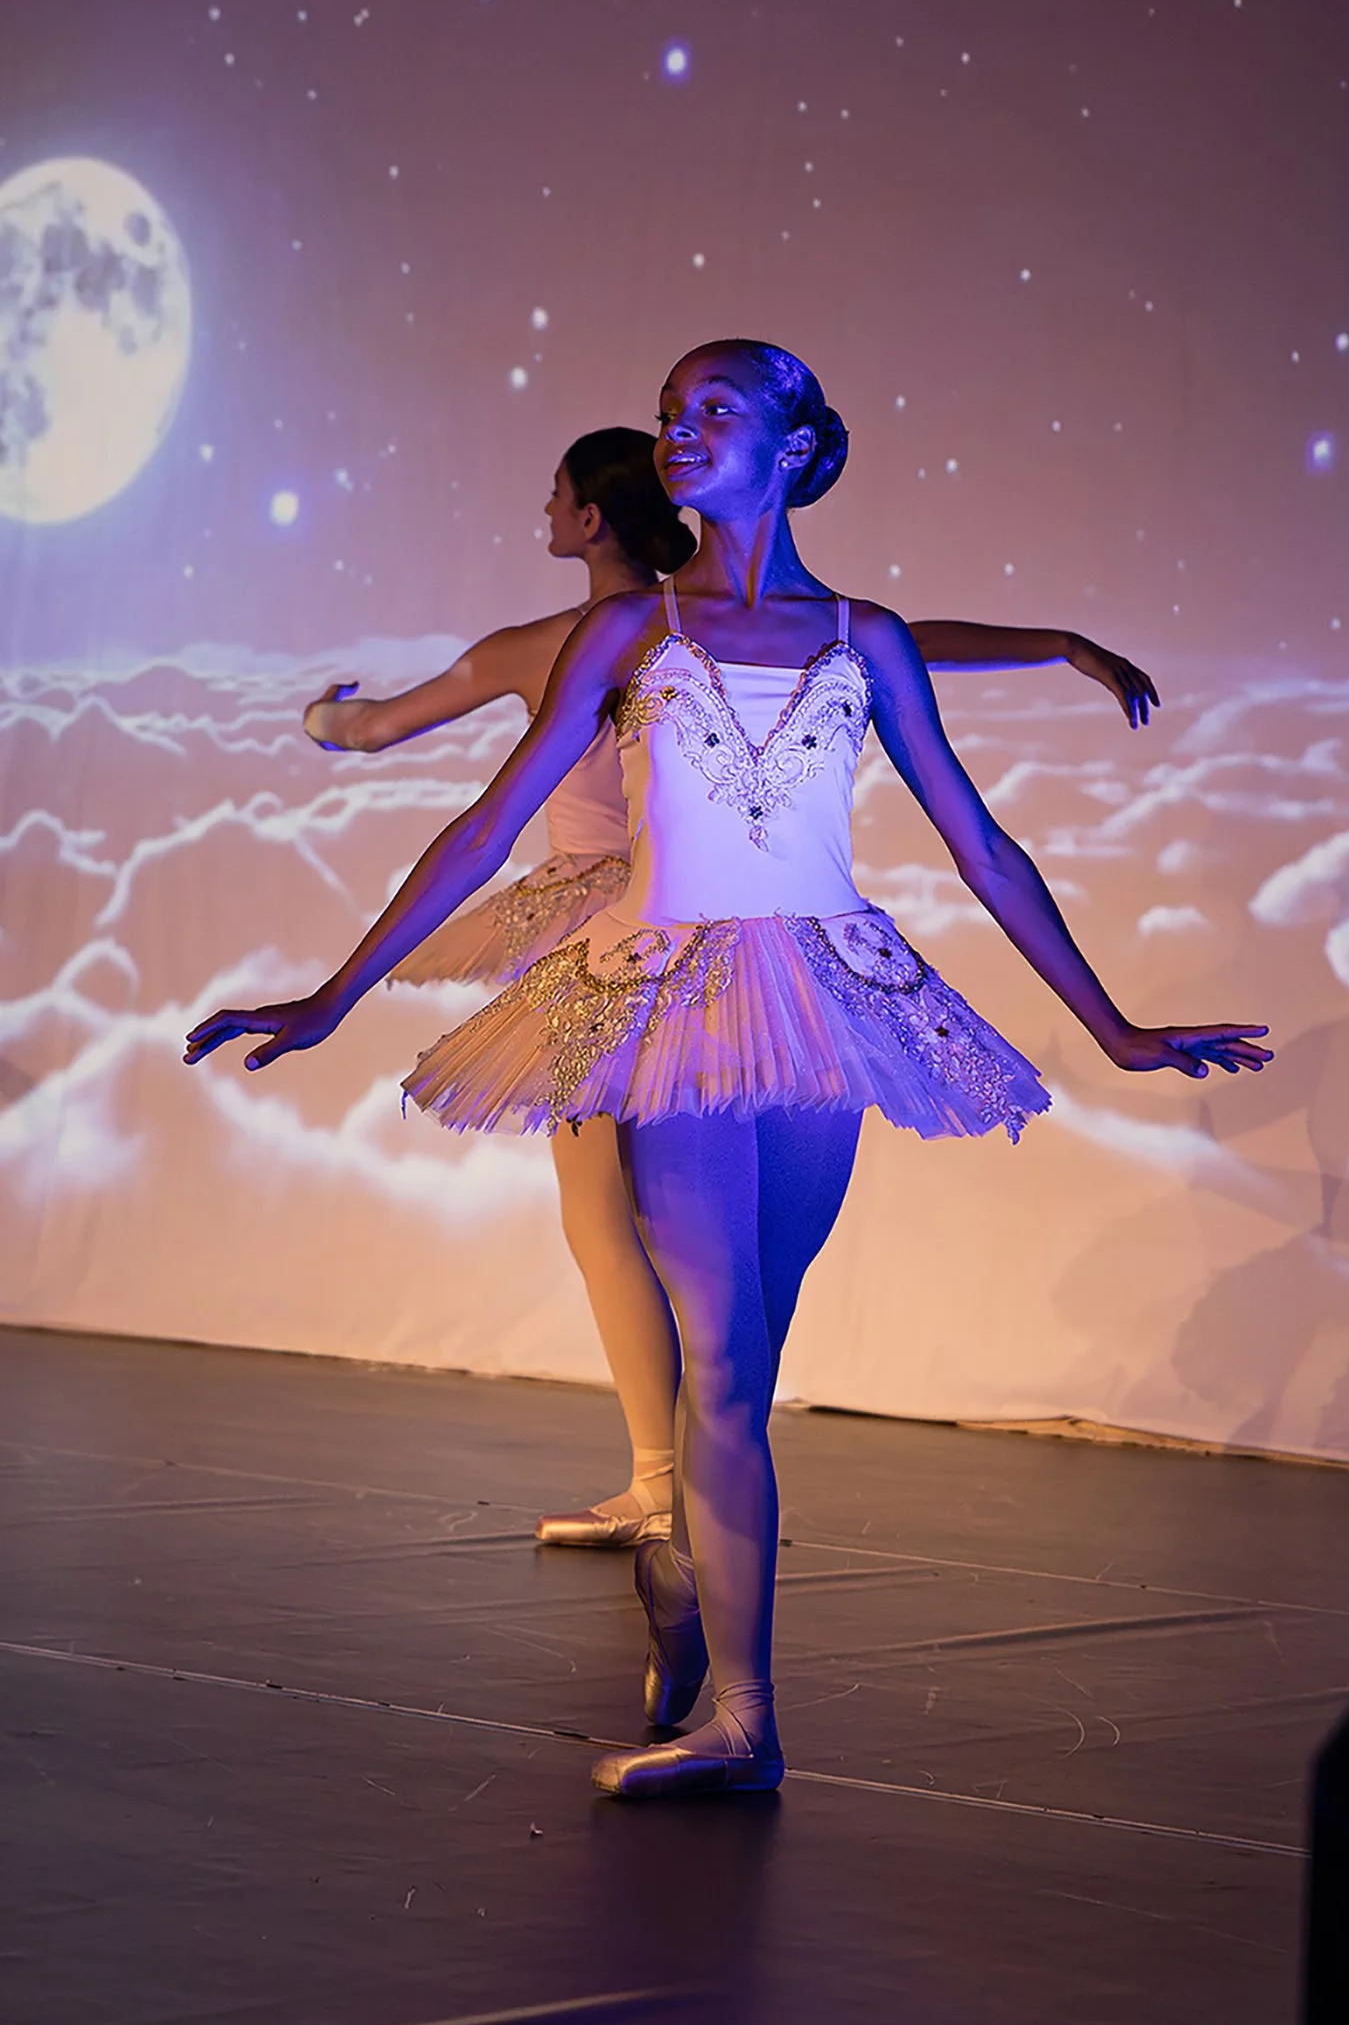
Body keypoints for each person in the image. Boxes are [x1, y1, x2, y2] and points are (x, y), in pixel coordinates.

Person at [186, 338, 1269, 1800]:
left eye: (715, 410)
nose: (679, 431)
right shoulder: (630, 632)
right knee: (715, 1349)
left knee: (748, 1367)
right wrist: (333, 993)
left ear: (795, 440)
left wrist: (1117, 1026)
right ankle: (747, 1722)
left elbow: (981, 843)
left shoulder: (865, 636)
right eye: (667, 412)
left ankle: (691, 1577)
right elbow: (487, 825)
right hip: (668, 1000)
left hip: (827, 995)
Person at [301, 426, 1160, 1552]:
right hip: (703, 942)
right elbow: (904, 647)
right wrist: (1048, 642)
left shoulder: (562, 640)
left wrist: (326, 718)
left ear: (590, 518)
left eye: (553, 495)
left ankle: (672, 1483)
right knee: (702, 1264)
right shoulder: (662, 627)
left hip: (631, 939)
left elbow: (377, 731)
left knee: (614, 1226)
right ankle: (693, 1498)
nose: (543, 513)